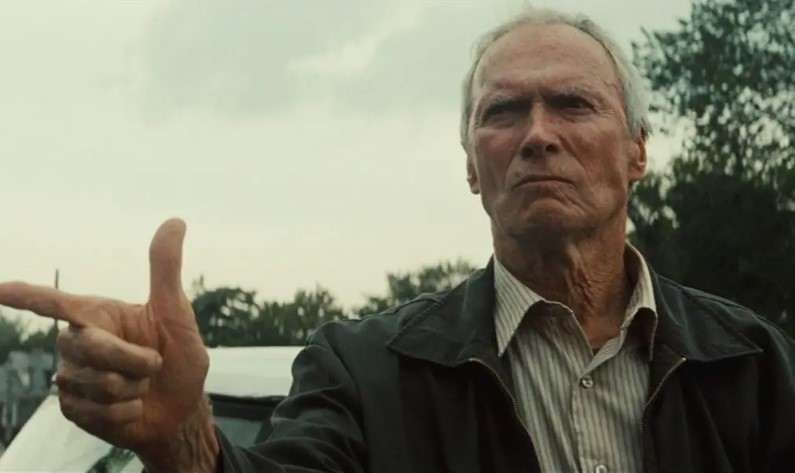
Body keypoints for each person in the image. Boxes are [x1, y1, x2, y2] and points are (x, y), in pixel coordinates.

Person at [1, 7, 793, 473]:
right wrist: (185, 442)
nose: (537, 135)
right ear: (471, 166)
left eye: (572, 104)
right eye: (502, 111)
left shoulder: (750, 364)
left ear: (636, 150)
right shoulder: (363, 370)